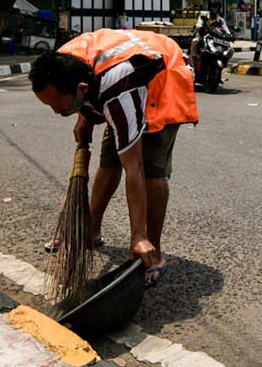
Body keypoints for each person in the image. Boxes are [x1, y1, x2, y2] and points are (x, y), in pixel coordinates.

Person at [29, 28, 199, 287]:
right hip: (120, 77)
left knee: (150, 168)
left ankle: (152, 250)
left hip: (163, 78)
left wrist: (138, 235)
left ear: (82, 89)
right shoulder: (62, 63)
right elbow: (87, 84)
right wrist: (83, 116)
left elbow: (134, 166)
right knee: (109, 160)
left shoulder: (118, 90)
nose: (56, 112)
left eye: (60, 107)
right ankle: (90, 230)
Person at [190, 0, 230, 68]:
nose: (214, 9)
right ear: (209, 7)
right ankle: (194, 62)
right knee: (195, 42)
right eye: (213, 6)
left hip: (216, 39)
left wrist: (229, 35)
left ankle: (225, 64)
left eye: (216, 7)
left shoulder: (221, 20)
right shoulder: (203, 15)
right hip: (203, 37)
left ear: (219, 8)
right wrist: (199, 26)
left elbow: (226, 29)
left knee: (231, 50)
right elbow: (199, 24)